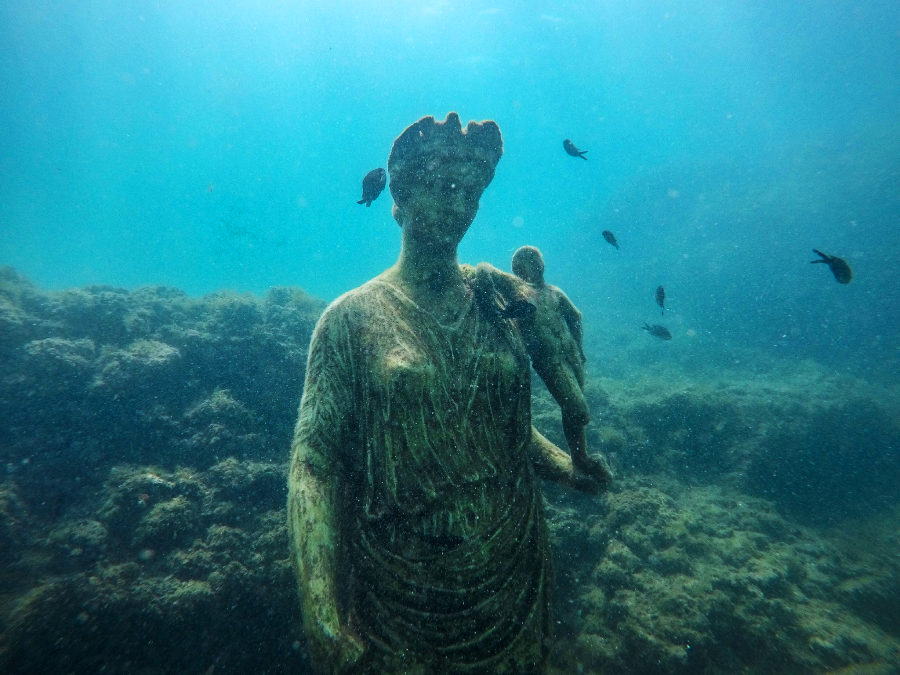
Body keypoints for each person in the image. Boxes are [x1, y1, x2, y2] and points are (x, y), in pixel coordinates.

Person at [287, 113, 606, 675]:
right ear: (402, 197)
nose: (458, 206)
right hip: (402, 590)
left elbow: (497, 425)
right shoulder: (351, 321)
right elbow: (314, 467)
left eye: (472, 193)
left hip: (514, 568)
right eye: (441, 188)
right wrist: (323, 613)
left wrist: (567, 468)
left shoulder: (495, 301)